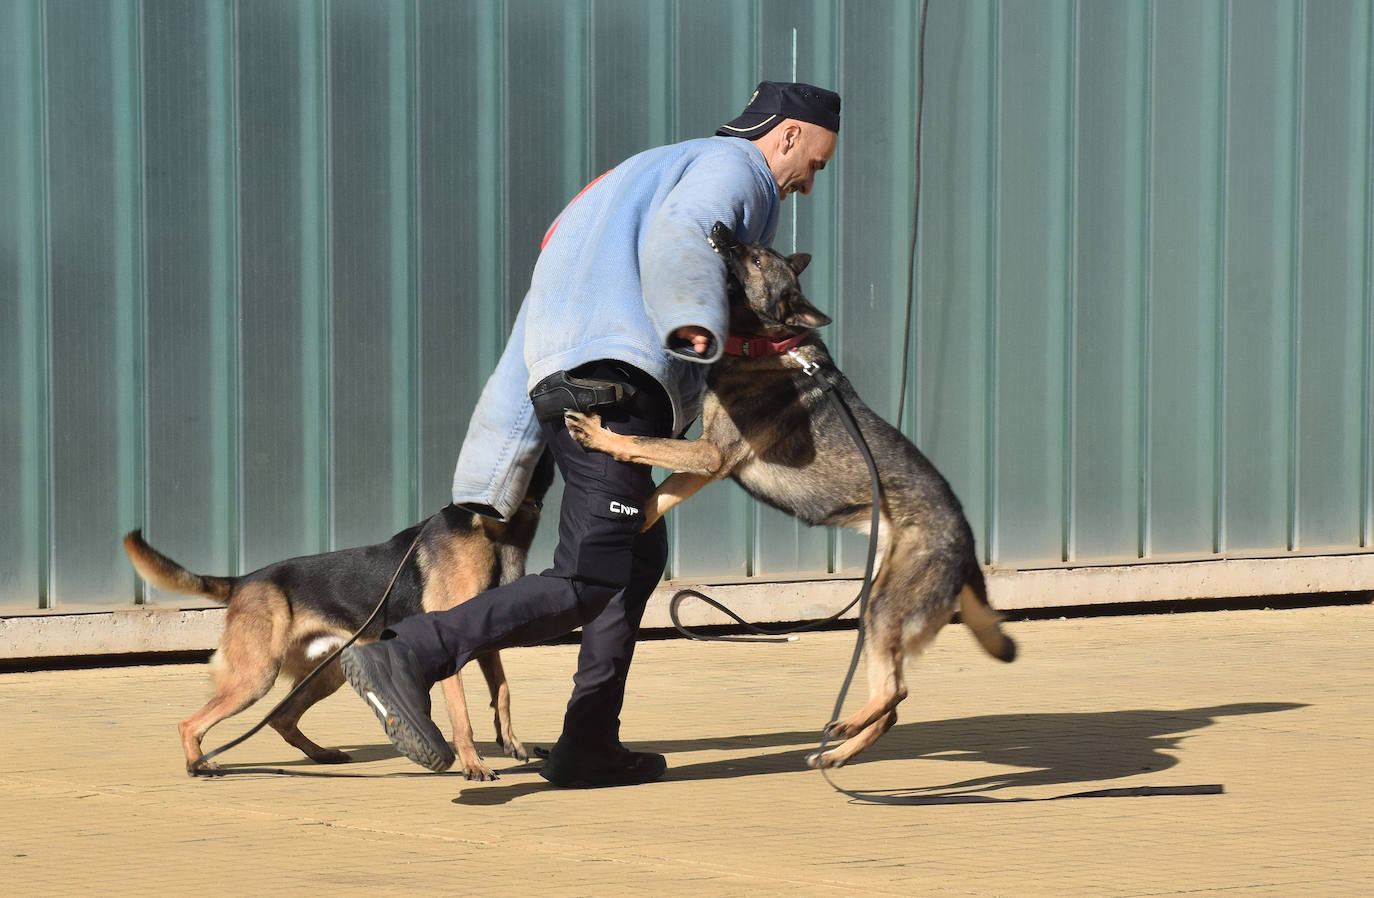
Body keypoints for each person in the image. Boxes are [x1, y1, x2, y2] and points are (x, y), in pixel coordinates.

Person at [341, 81, 840, 787]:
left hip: (567, 378)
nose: (809, 184)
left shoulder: (624, 179)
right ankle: (411, 651)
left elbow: (542, 306)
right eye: (816, 163)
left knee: (632, 562)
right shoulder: (738, 172)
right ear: (789, 135)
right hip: (618, 382)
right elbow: (688, 232)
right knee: (587, 576)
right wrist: (693, 314)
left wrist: (499, 453)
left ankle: (589, 743)